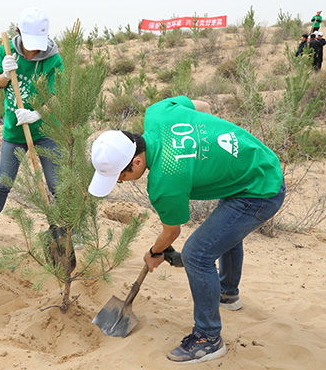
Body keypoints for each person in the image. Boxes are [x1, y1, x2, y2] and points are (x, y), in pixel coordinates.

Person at [88, 96, 285, 364]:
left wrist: (154, 253)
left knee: (196, 254)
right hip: (256, 162)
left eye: (119, 176)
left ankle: (208, 338)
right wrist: (211, 152)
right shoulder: (158, 114)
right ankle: (227, 293)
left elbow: (172, 233)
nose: (120, 182)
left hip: (260, 190)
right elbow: (202, 106)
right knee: (223, 229)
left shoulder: (163, 183)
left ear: (135, 162)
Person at [0, 7, 63, 247]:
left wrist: (38, 113)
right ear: (19, 32)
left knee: (56, 185)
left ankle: (67, 230)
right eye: (30, 42)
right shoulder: (6, 51)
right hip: (14, 133)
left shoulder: (53, 59)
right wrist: (5, 74)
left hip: (45, 133)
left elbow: (58, 95)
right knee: (4, 181)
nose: (35, 50)